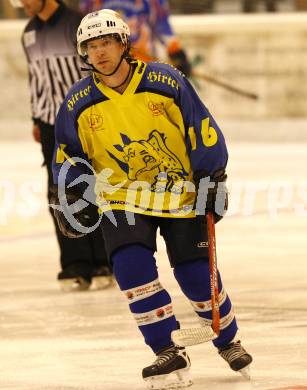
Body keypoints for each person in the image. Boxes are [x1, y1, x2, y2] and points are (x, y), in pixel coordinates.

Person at [51, 9, 253, 389]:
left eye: (106, 42)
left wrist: (213, 178)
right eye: (91, 47)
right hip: (120, 199)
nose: (99, 53)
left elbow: (202, 129)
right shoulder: (77, 100)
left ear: (124, 43)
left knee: (196, 276)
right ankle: (166, 348)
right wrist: (73, 192)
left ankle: (228, 340)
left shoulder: (166, 80)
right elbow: (67, 155)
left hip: (179, 194)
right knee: (131, 270)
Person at [10, 0, 113, 292]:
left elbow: (96, 70)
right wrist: (35, 117)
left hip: (84, 117)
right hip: (48, 123)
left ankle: (104, 259)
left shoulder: (77, 25)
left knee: (92, 184)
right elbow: (36, 79)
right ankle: (75, 264)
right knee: (59, 190)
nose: (22, 5)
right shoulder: (29, 32)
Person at [78, 0, 191, 77]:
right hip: (108, 70)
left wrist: (175, 51)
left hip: (144, 67)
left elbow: (162, 24)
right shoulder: (91, 2)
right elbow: (83, 29)